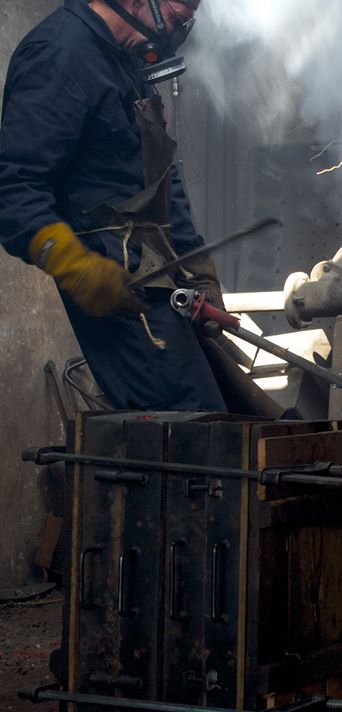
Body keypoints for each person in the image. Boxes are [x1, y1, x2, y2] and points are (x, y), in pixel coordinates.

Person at [0, 0, 228, 411]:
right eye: (177, 17)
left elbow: (160, 176)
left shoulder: (126, 62)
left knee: (224, 401)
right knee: (191, 419)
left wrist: (196, 267)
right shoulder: (59, 55)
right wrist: (74, 266)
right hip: (116, 286)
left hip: (157, 273)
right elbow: (14, 187)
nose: (178, 31)